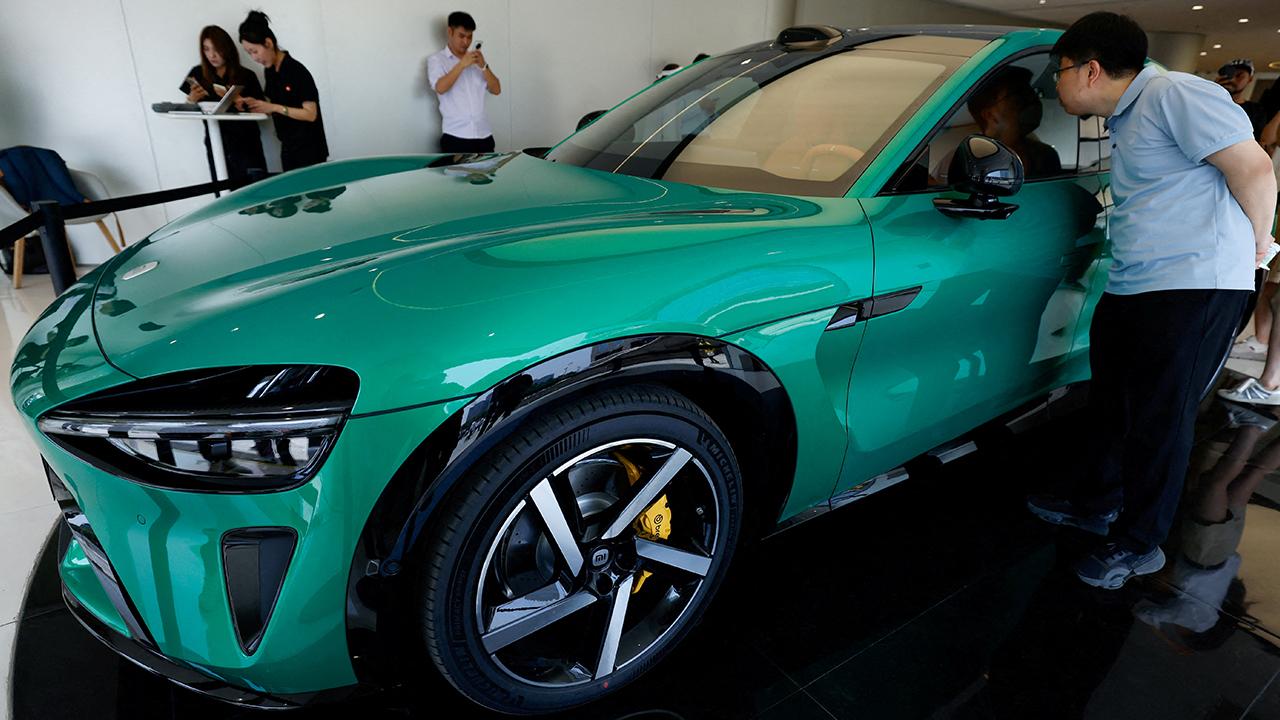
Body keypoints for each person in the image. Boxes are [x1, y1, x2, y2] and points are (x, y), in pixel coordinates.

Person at [1025, 12, 1277, 589]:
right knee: (1114, 403)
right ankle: (1098, 503)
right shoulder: (1129, 114)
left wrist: (1258, 248)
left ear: (1090, 69)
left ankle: (1141, 543)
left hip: (1194, 285)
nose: (1055, 85)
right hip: (1138, 281)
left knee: (1160, 418)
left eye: (1059, 71)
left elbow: (1255, 169)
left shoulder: (1174, 93)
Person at [238, 11, 329, 171]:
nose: (254, 58)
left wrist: (273, 107)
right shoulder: (270, 71)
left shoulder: (296, 70)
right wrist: (253, 104)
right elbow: (272, 104)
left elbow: (310, 114)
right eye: (249, 53)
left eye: (255, 51)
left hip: (309, 150)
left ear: (268, 43)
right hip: (288, 147)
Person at [179, 26, 267, 180]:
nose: (211, 55)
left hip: (246, 144)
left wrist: (241, 102)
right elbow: (188, 110)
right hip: (216, 142)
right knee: (223, 189)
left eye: (216, 49)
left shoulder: (246, 75)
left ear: (227, 49)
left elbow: (264, 111)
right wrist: (191, 100)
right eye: (206, 49)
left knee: (254, 190)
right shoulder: (197, 73)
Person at [966, 65, 1062, 179]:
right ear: (990, 115)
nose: (1032, 102)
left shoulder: (1046, 156)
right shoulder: (971, 163)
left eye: (1032, 94)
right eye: (1018, 98)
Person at [427, 11, 501, 153]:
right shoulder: (436, 60)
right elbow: (440, 88)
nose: (466, 42)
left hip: (484, 135)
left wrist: (484, 66)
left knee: (488, 169)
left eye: (469, 37)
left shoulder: (477, 61)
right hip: (456, 136)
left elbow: (497, 89)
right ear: (450, 32)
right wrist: (461, 65)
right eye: (461, 36)